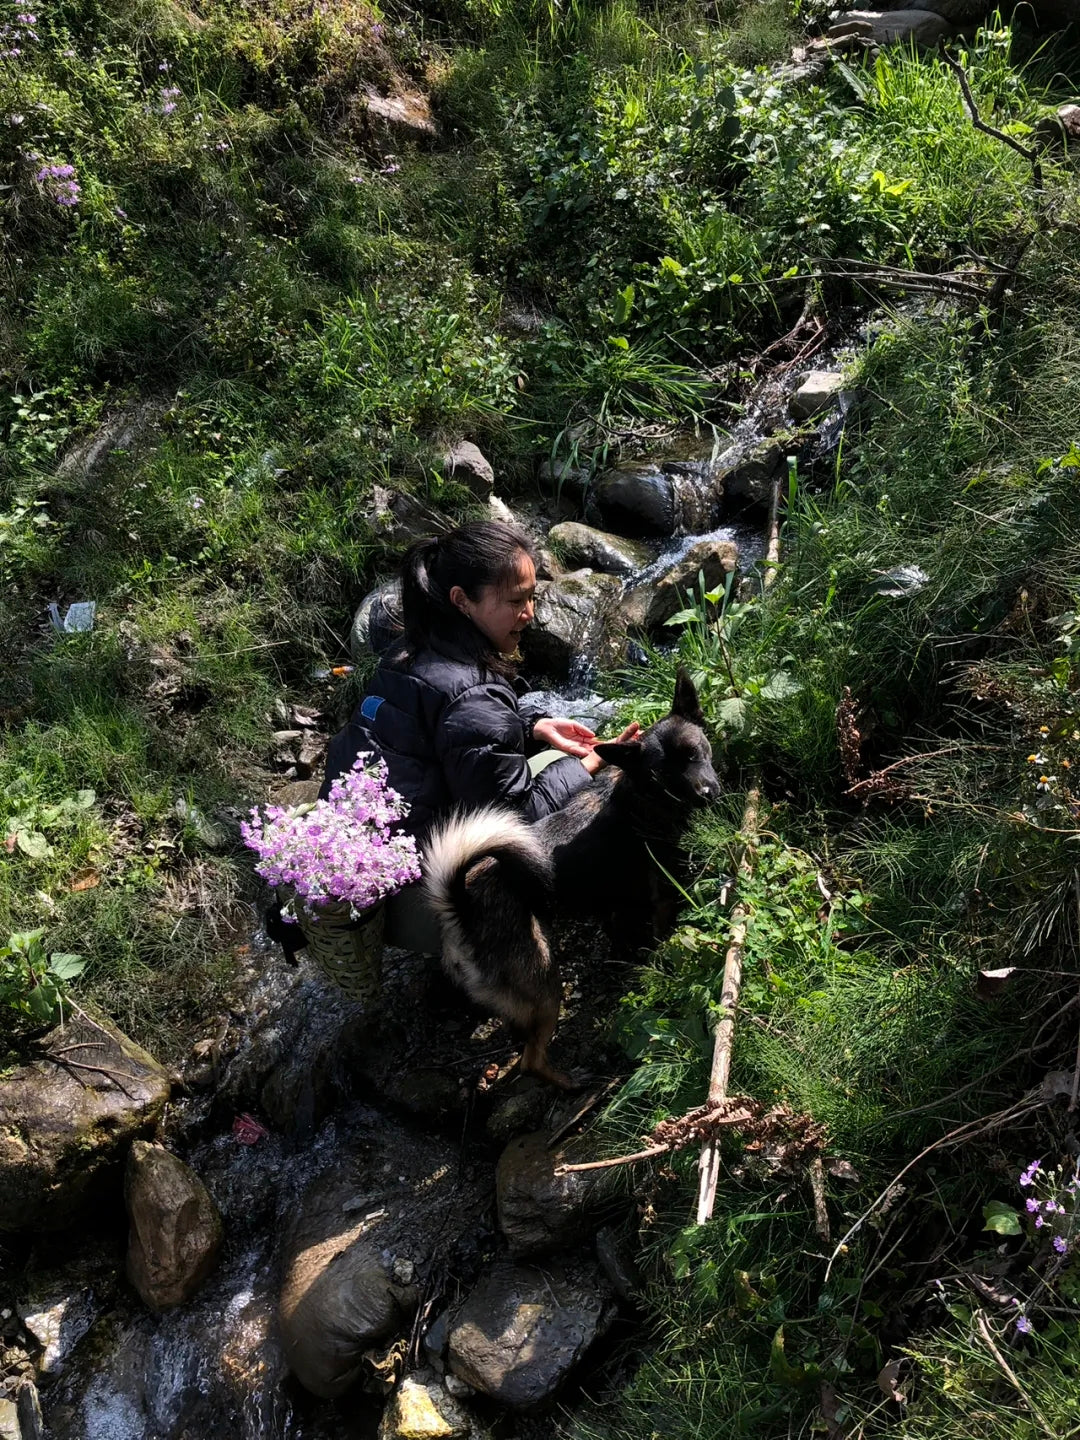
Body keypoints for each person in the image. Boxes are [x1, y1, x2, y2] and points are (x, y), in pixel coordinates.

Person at [321, 519, 639, 952]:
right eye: (516, 600)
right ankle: (483, 949)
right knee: (572, 788)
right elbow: (516, 819)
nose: (529, 614)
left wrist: (534, 727)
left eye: (532, 597)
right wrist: (588, 765)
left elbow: (455, 736)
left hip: (370, 887)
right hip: (428, 902)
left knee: (546, 759)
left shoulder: (407, 651)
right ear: (462, 601)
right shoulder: (472, 692)